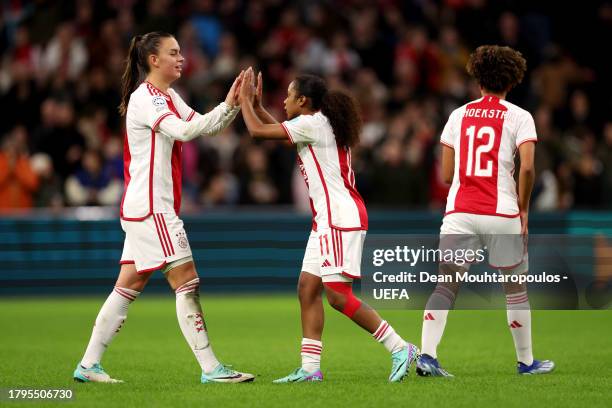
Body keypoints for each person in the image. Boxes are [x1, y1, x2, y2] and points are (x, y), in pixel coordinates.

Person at [73, 31, 253, 384]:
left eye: (181, 51)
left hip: (147, 207)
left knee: (127, 285)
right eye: (173, 52)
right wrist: (225, 107)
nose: (181, 57)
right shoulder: (146, 99)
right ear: (154, 60)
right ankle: (211, 368)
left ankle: (88, 365)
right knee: (187, 282)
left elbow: (207, 128)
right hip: (153, 209)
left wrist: (231, 104)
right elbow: (185, 132)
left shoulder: (168, 95)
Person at [238, 68, 419, 383]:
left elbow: (257, 133)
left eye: (289, 95)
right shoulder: (317, 123)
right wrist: (256, 105)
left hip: (339, 218)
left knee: (337, 296)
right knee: (307, 289)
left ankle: (399, 347)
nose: (284, 100)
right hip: (327, 219)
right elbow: (279, 128)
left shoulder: (312, 124)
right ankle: (310, 369)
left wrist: (243, 102)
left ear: (303, 100)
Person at [416, 45, 555, 376]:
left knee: (445, 285)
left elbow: (447, 175)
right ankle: (526, 362)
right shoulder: (521, 117)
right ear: (512, 80)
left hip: (460, 212)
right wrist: (523, 209)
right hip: (502, 213)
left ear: (477, 79)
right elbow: (528, 168)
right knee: (515, 290)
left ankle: (427, 356)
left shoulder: (457, 115)